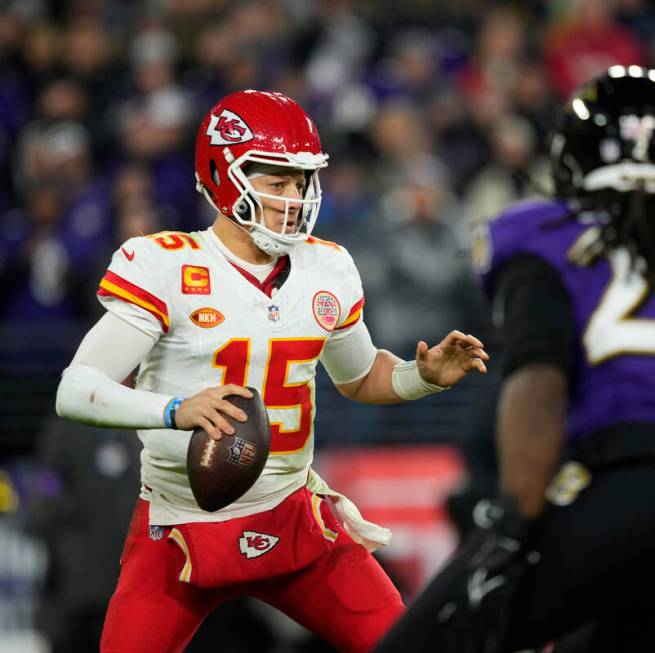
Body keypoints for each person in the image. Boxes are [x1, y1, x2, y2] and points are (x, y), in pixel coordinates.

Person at [375, 65, 655, 652]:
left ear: (571, 158)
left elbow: (538, 387)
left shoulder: (543, 234)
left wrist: (510, 526)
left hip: (619, 495)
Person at [53, 90, 489, 653]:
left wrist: (420, 376)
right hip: (180, 525)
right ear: (223, 177)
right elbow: (76, 389)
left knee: (405, 645)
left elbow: (357, 378)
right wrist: (173, 410)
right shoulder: (165, 263)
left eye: (302, 182)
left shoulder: (326, 265)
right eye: (277, 182)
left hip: (292, 515)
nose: (294, 199)